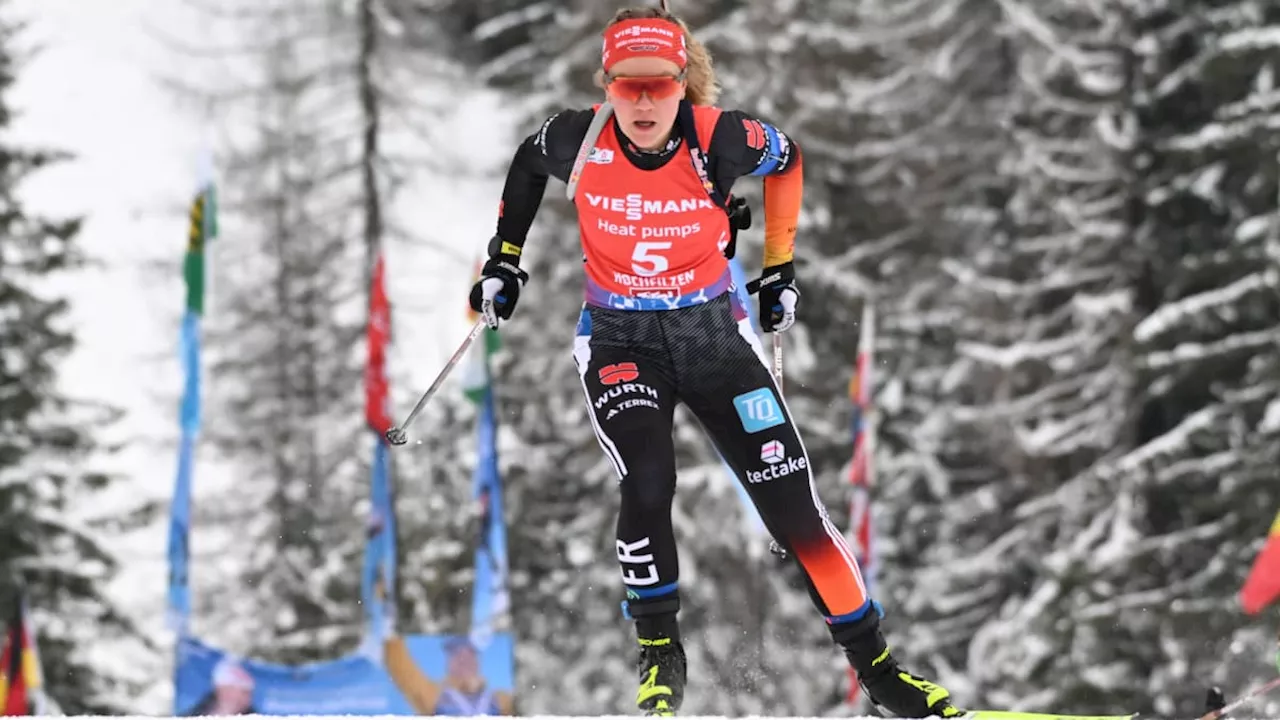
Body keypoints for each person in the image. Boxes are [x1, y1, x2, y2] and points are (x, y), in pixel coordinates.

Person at [467, 3, 963, 717]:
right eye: (627, 86)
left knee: (797, 512)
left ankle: (879, 673)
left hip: (713, 342)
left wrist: (779, 267)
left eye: (659, 86)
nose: (642, 103)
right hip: (620, 342)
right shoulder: (576, 139)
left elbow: (787, 159)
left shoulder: (720, 140)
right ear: (606, 84)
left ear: (682, 86)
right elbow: (525, 163)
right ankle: (660, 655)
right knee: (648, 478)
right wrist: (504, 261)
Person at [384, 633, 514, 715]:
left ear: (477, 662)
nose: (463, 661)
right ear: (449, 664)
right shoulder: (435, 696)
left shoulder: (500, 700)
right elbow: (402, 670)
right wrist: (391, 630)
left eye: (469, 654)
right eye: (457, 655)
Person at [183, 657, 258, 716]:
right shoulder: (194, 714)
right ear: (219, 690)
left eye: (247, 693)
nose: (244, 699)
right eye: (229, 690)